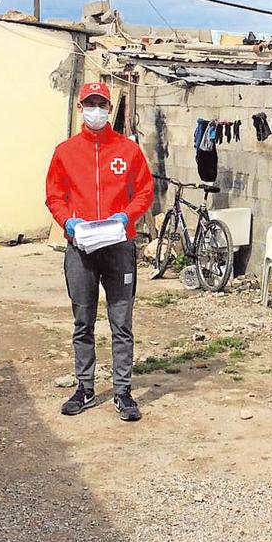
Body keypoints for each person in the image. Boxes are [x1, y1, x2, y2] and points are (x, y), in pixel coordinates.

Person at [45, 81, 154, 422]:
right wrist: (68, 222)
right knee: (83, 321)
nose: (95, 110)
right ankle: (85, 387)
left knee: (121, 322)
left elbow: (145, 192)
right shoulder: (65, 152)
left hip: (119, 247)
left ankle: (122, 391)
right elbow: (54, 196)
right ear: (80, 108)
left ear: (109, 109)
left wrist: (127, 216)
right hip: (81, 248)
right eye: (89, 103)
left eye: (101, 104)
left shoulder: (128, 150)